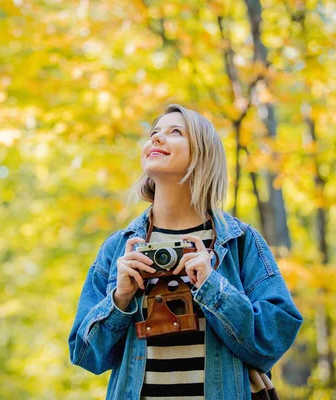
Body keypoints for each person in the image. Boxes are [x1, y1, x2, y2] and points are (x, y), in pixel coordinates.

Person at [69, 104, 303, 400]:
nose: (156, 138)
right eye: (154, 133)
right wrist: (120, 298)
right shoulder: (119, 248)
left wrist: (214, 288)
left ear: (203, 154)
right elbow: (85, 355)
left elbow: (274, 339)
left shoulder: (240, 242)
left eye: (175, 132)